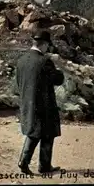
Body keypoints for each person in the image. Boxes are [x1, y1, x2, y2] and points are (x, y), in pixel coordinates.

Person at [16, 30, 65, 175]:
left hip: (27, 102)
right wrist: (59, 69)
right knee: (47, 134)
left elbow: (19, 82)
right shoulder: (44, 61)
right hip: (44, 104)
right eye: (47, 45)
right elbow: (58, 80)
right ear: (44, 44)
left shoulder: (21, 60)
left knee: (33, 132)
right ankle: (43, 166)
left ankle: (25, 161)